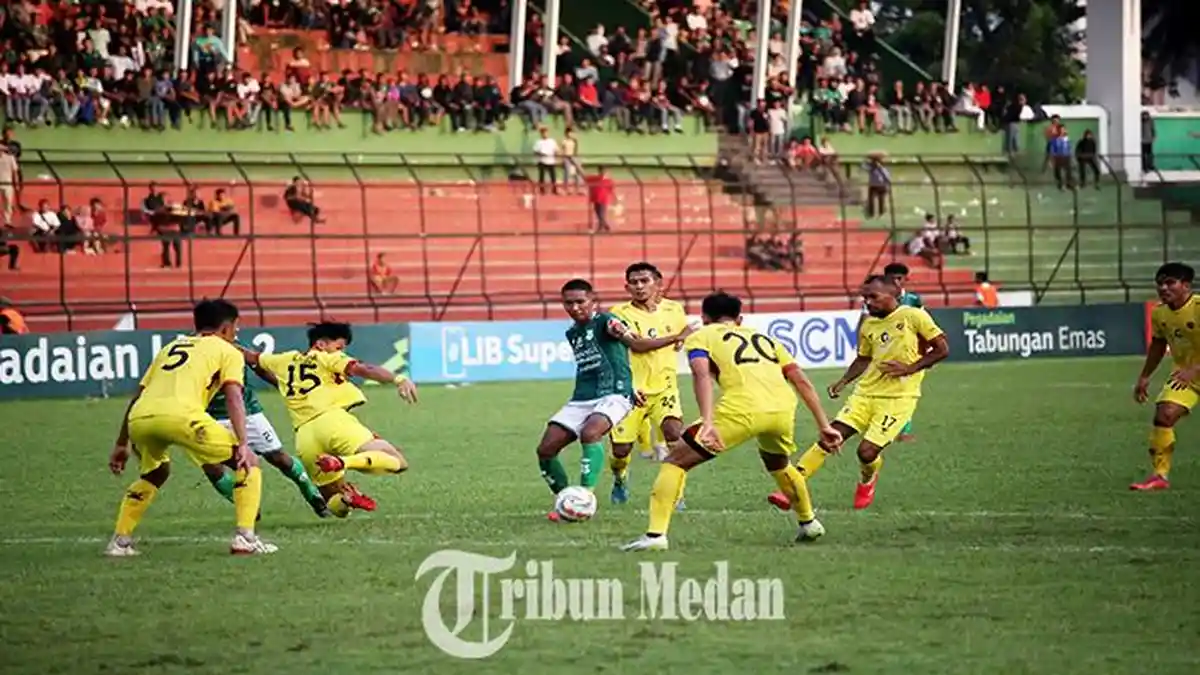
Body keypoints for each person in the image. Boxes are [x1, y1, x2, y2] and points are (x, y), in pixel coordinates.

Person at [621, 291, 842, 552]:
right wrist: (824, 425)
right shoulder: (767, 338)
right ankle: (809, 522)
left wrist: (707, 420)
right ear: (740, 318)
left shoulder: (702, 335)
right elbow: (801, 380)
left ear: (703, 317)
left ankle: (656, 535)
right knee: (779, 463)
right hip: (783, 408)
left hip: (742, 409)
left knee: (675, 460)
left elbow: (701, 375)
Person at [105, 299, 276, 557]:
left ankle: (119, 541)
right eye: (237, 327)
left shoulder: (170, 347)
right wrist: (242, 442)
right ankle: (246, 538)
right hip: (184, 418)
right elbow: (233, 397)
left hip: (141, 419)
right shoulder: (227, 350)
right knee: (248, 461)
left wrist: (121, 443)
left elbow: (137, 396)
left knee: (156, 473)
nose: (237, 333)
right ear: (227, 328)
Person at [768, 275, 949, 513]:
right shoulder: (869, 324)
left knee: (866, 452)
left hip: (898, 399)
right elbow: (864, 358)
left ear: (893, 294)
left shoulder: (913, 316)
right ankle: (790, 489)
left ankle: (867, 479)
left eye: (873, 297)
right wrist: (844, 381)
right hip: (865, 394)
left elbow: (942, 349)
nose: (868, 302)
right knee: (829, 437)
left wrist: (910, 368)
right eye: (865, 298)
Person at [536, 278, 691, 521]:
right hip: (583, 397)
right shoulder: (572, 332)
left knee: (591, 433)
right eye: (569, 303)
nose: (575, 307)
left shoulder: (608, 322)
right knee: (546, 448)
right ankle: (566, 499)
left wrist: (677, 336)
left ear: (592, 301)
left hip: (616, 393)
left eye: (580, 302)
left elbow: (637, 346)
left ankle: (585, 497)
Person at [244, 321, 419, 517]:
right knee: (397, 461)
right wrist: (399, 379)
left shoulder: (284, 359)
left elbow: (252, 359)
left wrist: (220, 340)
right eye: (339, 347)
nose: (341, 352)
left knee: (335, 504)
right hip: (333, 422)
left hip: (305, 437)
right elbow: (366, 369)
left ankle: (346, 498)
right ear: (321, 344)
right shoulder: (326, 358)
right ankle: (342, 462)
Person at [202, 348, 330, 518]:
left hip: (247, 413)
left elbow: (257, 366)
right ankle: (246, 506)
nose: (237, 328)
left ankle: (311, 492)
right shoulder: (195, 348)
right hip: (208, 416)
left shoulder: (234, 345)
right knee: (212, 467)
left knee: (279, 458)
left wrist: (283, 385)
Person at [607, 263, 690, 506]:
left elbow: (680, 341)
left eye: (644, 281)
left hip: (665, 388)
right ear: (626, 287)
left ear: (658, 284)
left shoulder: (675, 309)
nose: (639, 286)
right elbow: (637, 345)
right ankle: (620, 477)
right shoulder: (619, 314)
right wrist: (676, 337)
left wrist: (679, 341)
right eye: (634, 282)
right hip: (632, 390)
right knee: (621, 450)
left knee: (675, 435)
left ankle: (677, 493)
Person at [1132, 262, 1200, 491]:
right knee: (1164, 415)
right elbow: (1158, 346)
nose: (1163, 288)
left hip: (1192, 371)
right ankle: (1159, 476)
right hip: (1185, 375)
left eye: (1170, 282)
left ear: (1186, 285)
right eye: (1160, 283)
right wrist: (1144, 376)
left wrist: (1196, 369)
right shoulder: (1160, 313)